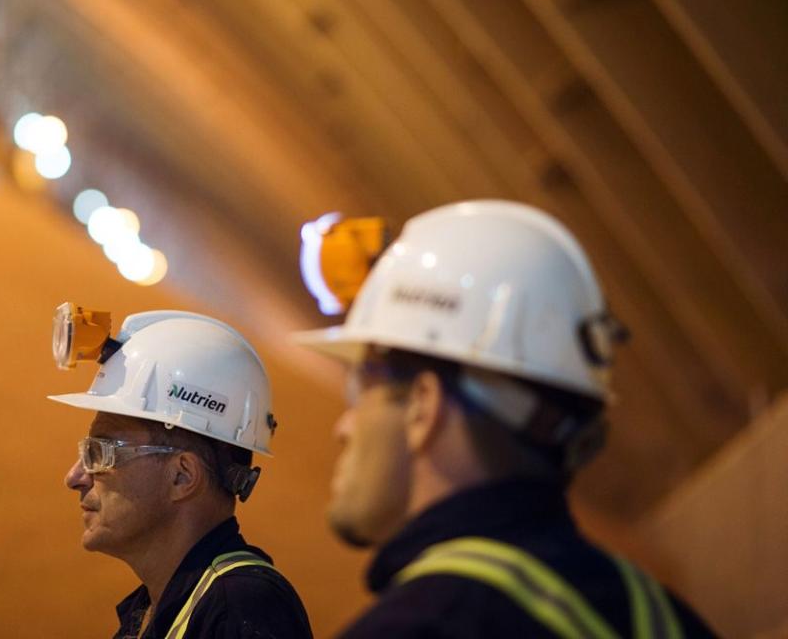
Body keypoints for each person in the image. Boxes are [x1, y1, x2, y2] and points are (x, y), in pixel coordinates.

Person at [295, 201, 717, 638]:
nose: (343, 427)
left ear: (423, 406)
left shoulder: (423, 626)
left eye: (362, 389)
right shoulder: (667, 618)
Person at [49, 304, 313, 639]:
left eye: (99, 453)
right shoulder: (161, 609)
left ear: (183, 476)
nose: (74, 477)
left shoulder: (239, 608)